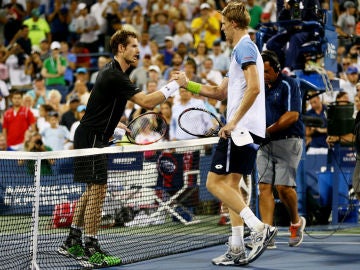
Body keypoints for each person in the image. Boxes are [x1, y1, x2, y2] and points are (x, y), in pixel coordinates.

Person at [57, 29, 187, 268]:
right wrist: (173, 86)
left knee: (91, 190)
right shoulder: (115, 75)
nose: (138, 50)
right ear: (121, 48)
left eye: (138, 46)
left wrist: (117, 125)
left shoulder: (114, 73)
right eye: (134, 46)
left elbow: (100, 106)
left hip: (93, 134)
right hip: (92, 138)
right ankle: (92, 247)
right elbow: (147, 103)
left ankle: (72, 240)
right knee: (98, 190)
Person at [181, 2, 277, 266]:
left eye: (223, 23)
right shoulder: (241, 50)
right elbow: (220, 92)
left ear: (233, 24)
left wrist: (232, 121)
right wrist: (186, 83)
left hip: (241, 129)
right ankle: (236, 247)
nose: (221, 28)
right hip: (248, 129)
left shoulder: (245, 47)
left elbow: (256, 88)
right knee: (232, 187)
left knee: (214, 184)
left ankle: (260, 228)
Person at [257, 50, 306, 248]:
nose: (263, 75)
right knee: (264, 187)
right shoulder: (258, 86)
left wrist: (267, 131)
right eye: (261, 71)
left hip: (288, 140)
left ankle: (296, 222)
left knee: (283, 188)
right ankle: (267, 233)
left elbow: (293, 115)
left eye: (267, 71)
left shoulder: (289, 83)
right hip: (264, 143)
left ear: (277, 70)